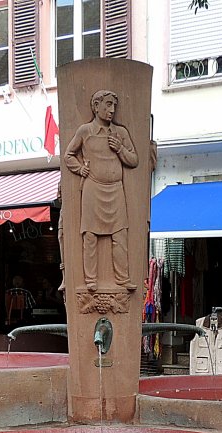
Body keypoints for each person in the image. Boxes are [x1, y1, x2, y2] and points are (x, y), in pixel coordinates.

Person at [64, 89, 139, 292]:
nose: (112, 109)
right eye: (107, 104)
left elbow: (134, 160)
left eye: (114, 105)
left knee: (120, 235)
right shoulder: (85, 131)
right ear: (96, 106)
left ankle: (123, 279)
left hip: (115, 190)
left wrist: (120, 149)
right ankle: (90, 280)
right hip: (92, 188)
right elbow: (68, 155)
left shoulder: (120, 133)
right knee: (90, 235)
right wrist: (80, 169)